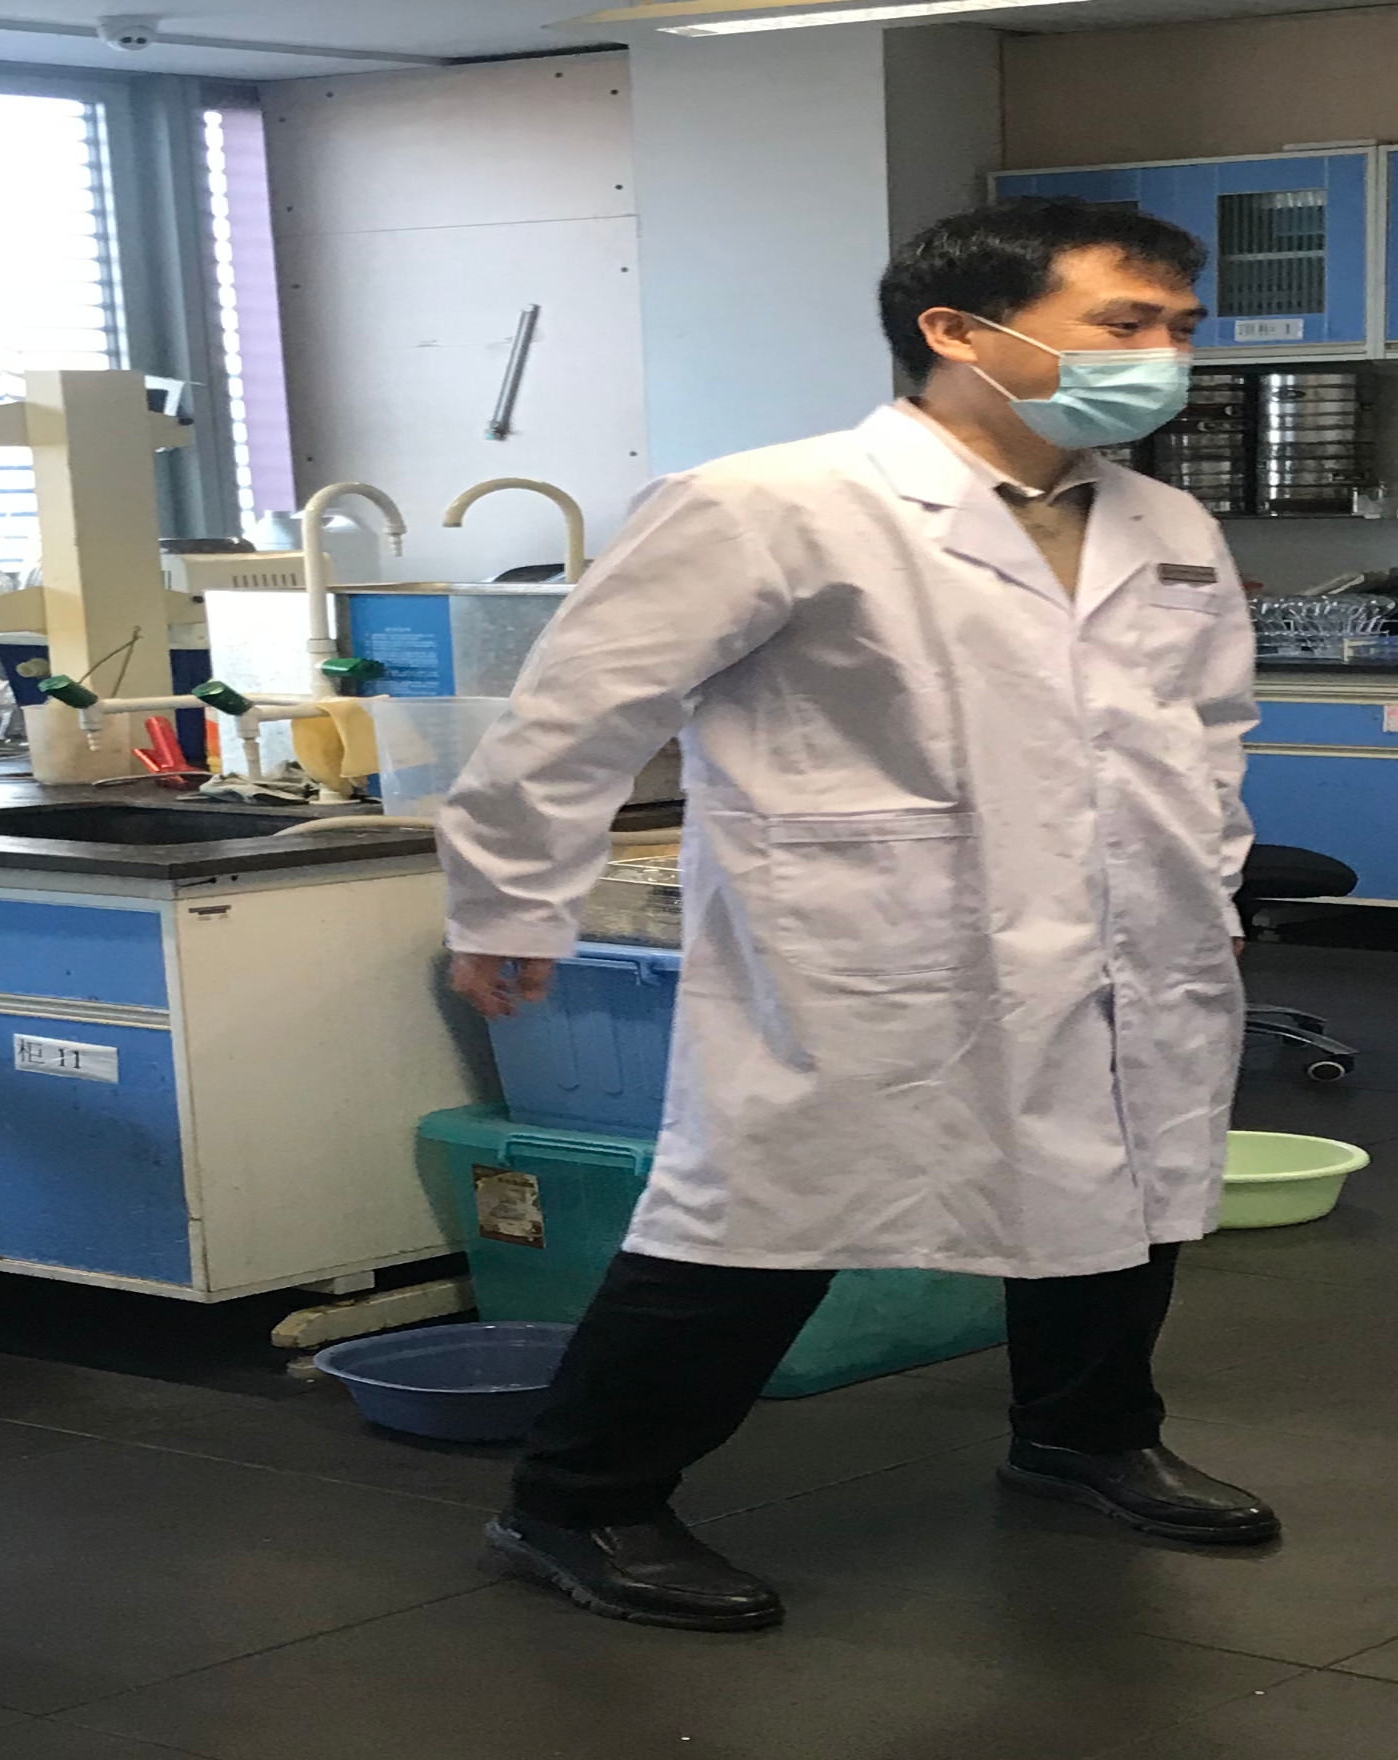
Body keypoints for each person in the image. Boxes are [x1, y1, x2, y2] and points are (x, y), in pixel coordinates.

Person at [435, 197, 1275, 1631]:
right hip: (869, 934)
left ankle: (1084, 1433)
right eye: (1122, 324)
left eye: (1179, 329)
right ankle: (580, 1501)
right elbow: (579, 712)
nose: (1163, 356)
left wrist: (1209, 870)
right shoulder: (770, 503)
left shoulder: (1166, 522)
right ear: (958, 332)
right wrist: (512, 898)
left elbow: (1208, 727)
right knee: (761, 1208)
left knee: (1128, 1173)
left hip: (1139, 920)